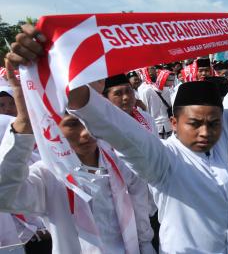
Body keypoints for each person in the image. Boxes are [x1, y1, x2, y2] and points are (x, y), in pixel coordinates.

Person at [6, 25, 228, 253]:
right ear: (174, 123)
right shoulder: (164, 160)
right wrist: (50, 72)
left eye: (213, 124)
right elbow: (116, 127)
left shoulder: (219, 139)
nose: (205, 132)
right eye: (195, 123)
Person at [0, 61, 155, 254]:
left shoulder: (119, 162)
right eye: (73, 124)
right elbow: (4, 195)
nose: (86, 133)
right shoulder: (47, 174)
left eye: (90, 121)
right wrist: (23, 121)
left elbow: (140, 210)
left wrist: (146, 245)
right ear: (53, 126)